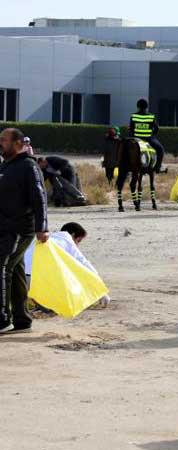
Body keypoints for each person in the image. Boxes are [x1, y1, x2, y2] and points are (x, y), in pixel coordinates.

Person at [0, 128, 48, 333]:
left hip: (20, 228)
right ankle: (22, 318)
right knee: (17, 269)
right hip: (5, 228)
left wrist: (42, 227)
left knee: (2, 267)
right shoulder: (6, 165)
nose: (0, 143)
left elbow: (39, 197)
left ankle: (2, 319)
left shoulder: (29, 166)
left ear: (18, 143)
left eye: (4, 140)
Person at [24, 223, 107, 308]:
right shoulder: (67, 241)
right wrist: (101, 291)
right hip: (35, 282)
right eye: (78, 241)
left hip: (21, 280)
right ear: (73, 235)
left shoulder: (48, 238)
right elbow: (84, 264)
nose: (77, 245)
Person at [129, 98, 165, 173]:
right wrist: (152, 135)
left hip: (136, 139)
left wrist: (132, 137)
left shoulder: (134, 116)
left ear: (138, 106)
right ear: (146, 107)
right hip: (149, 139)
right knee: (161, 149)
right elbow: (157, 128)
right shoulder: (151, 116)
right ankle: (157, 167)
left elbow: (131, 129)